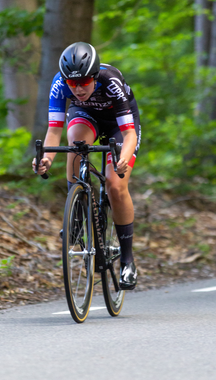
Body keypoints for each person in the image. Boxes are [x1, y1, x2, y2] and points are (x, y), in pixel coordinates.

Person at [33, 42, 141, 290]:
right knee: (75, 145)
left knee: (115, 184)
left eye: (84, 82)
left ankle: (127, 260)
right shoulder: (60, 84)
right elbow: (54, 130)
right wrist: (46, 158)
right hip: (86, 116)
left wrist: (123, 158)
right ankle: (78, 212)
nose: (78, 89)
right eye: (73, 84)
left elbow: (129, 134)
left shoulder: (110, 80)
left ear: (94, 77)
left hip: (119, 124)